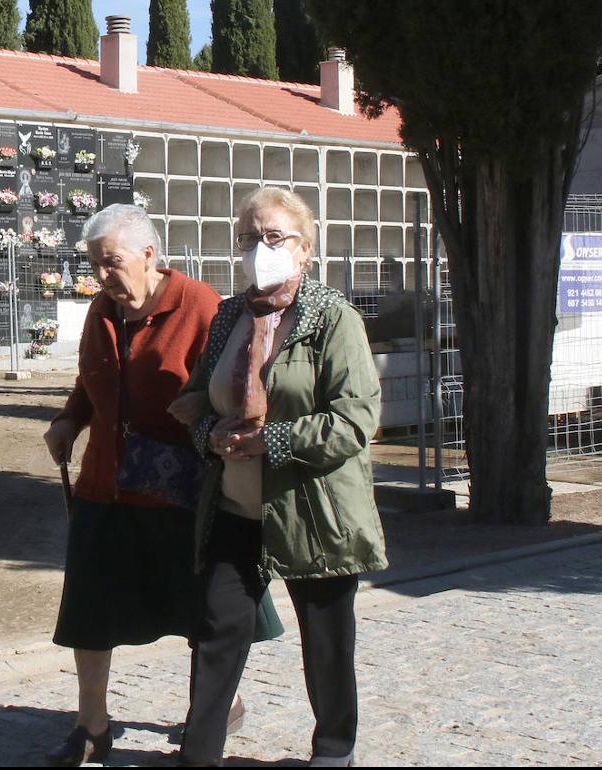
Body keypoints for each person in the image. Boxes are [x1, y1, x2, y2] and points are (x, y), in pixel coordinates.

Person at [43, 204, 280, 767]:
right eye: (95, 266)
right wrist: (69, 420)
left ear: (149, 254)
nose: (101, 278)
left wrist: (198, 411)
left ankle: (218, 708)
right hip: (106, 484)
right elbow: (92, 379)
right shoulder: (102, 310)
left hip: (182, 492)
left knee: (202, 612)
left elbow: (231, 385)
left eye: (111, 263)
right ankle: (92, 725)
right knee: (90, 607)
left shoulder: (200, 307)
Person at [170, 187, 387, 767]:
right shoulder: (227, 316)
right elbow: (197, 399)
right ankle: (199, 755)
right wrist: (209, 435)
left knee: (327, 645)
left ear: (306, 250)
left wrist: (270, 440)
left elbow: (354, 421)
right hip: (236, 507)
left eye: (273, 237)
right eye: (248, 238)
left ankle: (334, 751)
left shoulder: (333, 319)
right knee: (216, 632)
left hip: (312, 510)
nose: (258, 250)